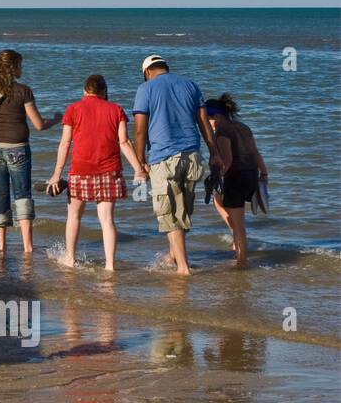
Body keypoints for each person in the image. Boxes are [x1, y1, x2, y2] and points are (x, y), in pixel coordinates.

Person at [131, 55, 219, 275]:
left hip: (163, 158)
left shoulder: (146, 88)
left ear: (147, 72)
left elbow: (140, 129)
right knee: (182, 211)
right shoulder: (190, 85)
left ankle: (183, 267)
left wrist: (140, 159)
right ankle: (173, 256)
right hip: (192, 156)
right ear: (166, 69)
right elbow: (204, 123)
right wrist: (214, 153)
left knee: (169, 215)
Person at [48, 74, 145, 271]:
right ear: (104, 92)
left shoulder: (73, 109)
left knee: (74, 216)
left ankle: (70, 258)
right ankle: (110, 265)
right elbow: (124, 142)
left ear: (85, 91)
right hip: (109, 171)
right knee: (107, 220)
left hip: (80, 170)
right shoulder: (116, 109)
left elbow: (65, 143)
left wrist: (56, 174)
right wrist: (138, 169)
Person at [0, 49, 62, 254]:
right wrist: (56, 119)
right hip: (18, 149)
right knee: (22, 195)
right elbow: (38, 124)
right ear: (11, 68)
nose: (22, 69)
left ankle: (1, 247)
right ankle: (27, 247)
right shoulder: (23, 91)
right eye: (19, 65)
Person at [205, 94, 268, 265]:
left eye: (208, 119)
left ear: (216, 117)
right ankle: (236, 240)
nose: (207, 123)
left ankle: (241, 262)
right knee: (218, 200)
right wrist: (264, 174)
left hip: (236, 178)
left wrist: (216, 177)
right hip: (251, 175)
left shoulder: (221, 133)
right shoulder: (243, 127)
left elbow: (228, 160)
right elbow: (255, 152)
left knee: (239, 225)